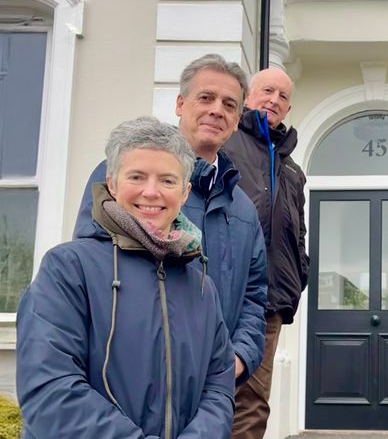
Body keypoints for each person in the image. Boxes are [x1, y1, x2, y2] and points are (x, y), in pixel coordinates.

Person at [17, 117, 234, 438]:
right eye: (137, 176)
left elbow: (218, 385)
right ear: (112, 183)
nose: (151, 192)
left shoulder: (201, 284)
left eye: (167, 180)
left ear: (185, 193)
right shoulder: (67, 269)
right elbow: (49, 388)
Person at [73, 54, 268, 388]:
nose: (216, 110)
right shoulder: (124, 179)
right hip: (128, 381)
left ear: (237, 120)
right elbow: (91, 271)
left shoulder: (244, 210)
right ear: (180, 104)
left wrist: (238, 358)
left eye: (229, 104)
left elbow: (254, 296)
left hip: (210, 387)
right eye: (205, 98)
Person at [223, 67, 309, 438]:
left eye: (283, 96)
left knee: (254, 402)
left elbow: (297, 234)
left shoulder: (291, 170)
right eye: (267, 91)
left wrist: (298, 275)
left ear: (288, 108)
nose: (274, 100)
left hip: (268, 302)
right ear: (248, 97)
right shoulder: (224, 143)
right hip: (221, 293)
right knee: (209, 392)